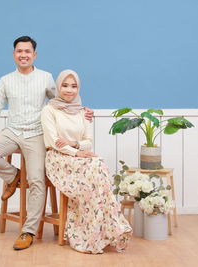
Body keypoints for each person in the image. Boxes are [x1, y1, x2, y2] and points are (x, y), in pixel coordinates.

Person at [0, 36, 93, 250]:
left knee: (37, 180)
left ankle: (28, 231)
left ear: (34, 55)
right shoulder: (5, 80)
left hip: (37, 135)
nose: (23, 55)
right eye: (19, 51)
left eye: (28, 51)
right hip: (12, 131)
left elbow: (62, 98)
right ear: (14, 55)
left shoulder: (46, 77)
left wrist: (82, 110)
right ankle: (14, 177)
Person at [41, 69, 132, 254]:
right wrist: (75, 152)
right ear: (58, 87)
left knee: (98, 164)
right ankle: (98, 230)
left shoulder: (83, 112)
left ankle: (100, 230)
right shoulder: (49, 110)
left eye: (74, 86)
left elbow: (88, 142)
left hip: (78, 156)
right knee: (95, 167)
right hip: (58, 159)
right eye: (65, 86)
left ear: (78, 88)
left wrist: (75, 144)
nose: (69, 90)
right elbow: (53, 141)